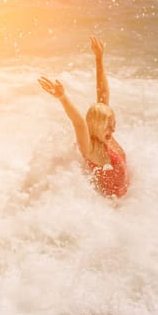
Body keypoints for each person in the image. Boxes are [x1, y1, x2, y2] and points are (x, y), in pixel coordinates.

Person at [38, 36, 129, 198]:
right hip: (114, 205)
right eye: (109, 125)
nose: (113, 129)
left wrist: (99, 59)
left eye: (113, 123)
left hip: (130, 197)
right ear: (97, 125)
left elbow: (103, 94)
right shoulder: (91, 148)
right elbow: (79, 123)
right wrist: (62, 98)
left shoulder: (106, 136)